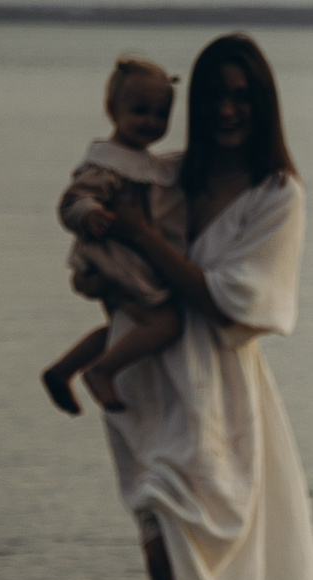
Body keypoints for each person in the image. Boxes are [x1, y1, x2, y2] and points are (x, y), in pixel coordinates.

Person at [86, 33, 313, 580]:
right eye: (215, 96)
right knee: (155, 531)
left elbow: (228, 303)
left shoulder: (277, 195)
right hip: (147, 375)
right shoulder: (167, 175)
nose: (228, 110)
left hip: (218, 391)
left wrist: (141, 237)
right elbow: (109, 252)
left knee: (200, 535)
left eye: (242, 96)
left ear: (263, 104)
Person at [42, 56, 185, 416]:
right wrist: (90, 215)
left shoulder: (141, 160)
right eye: (140, 110)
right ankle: (102, 372)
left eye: (160, 114)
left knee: (122, 329)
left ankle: (62, 370)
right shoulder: (108, 163)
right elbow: (73, 201)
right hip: (116, 263)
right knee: (165, 322)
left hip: (125, 263)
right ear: (112, 109)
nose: (151, 121)